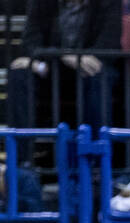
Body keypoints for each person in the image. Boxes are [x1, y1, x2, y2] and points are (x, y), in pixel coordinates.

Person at [6, 0, 120, 141]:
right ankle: (22, 158)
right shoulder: (41, 3)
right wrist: (63, 55)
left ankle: (95, 155)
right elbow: (30, 43)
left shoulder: (109, 3)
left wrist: (74, 58)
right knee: (19, 75)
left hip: (89, 71)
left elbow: (109, 44)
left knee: (98, 77)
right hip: (52, 69)